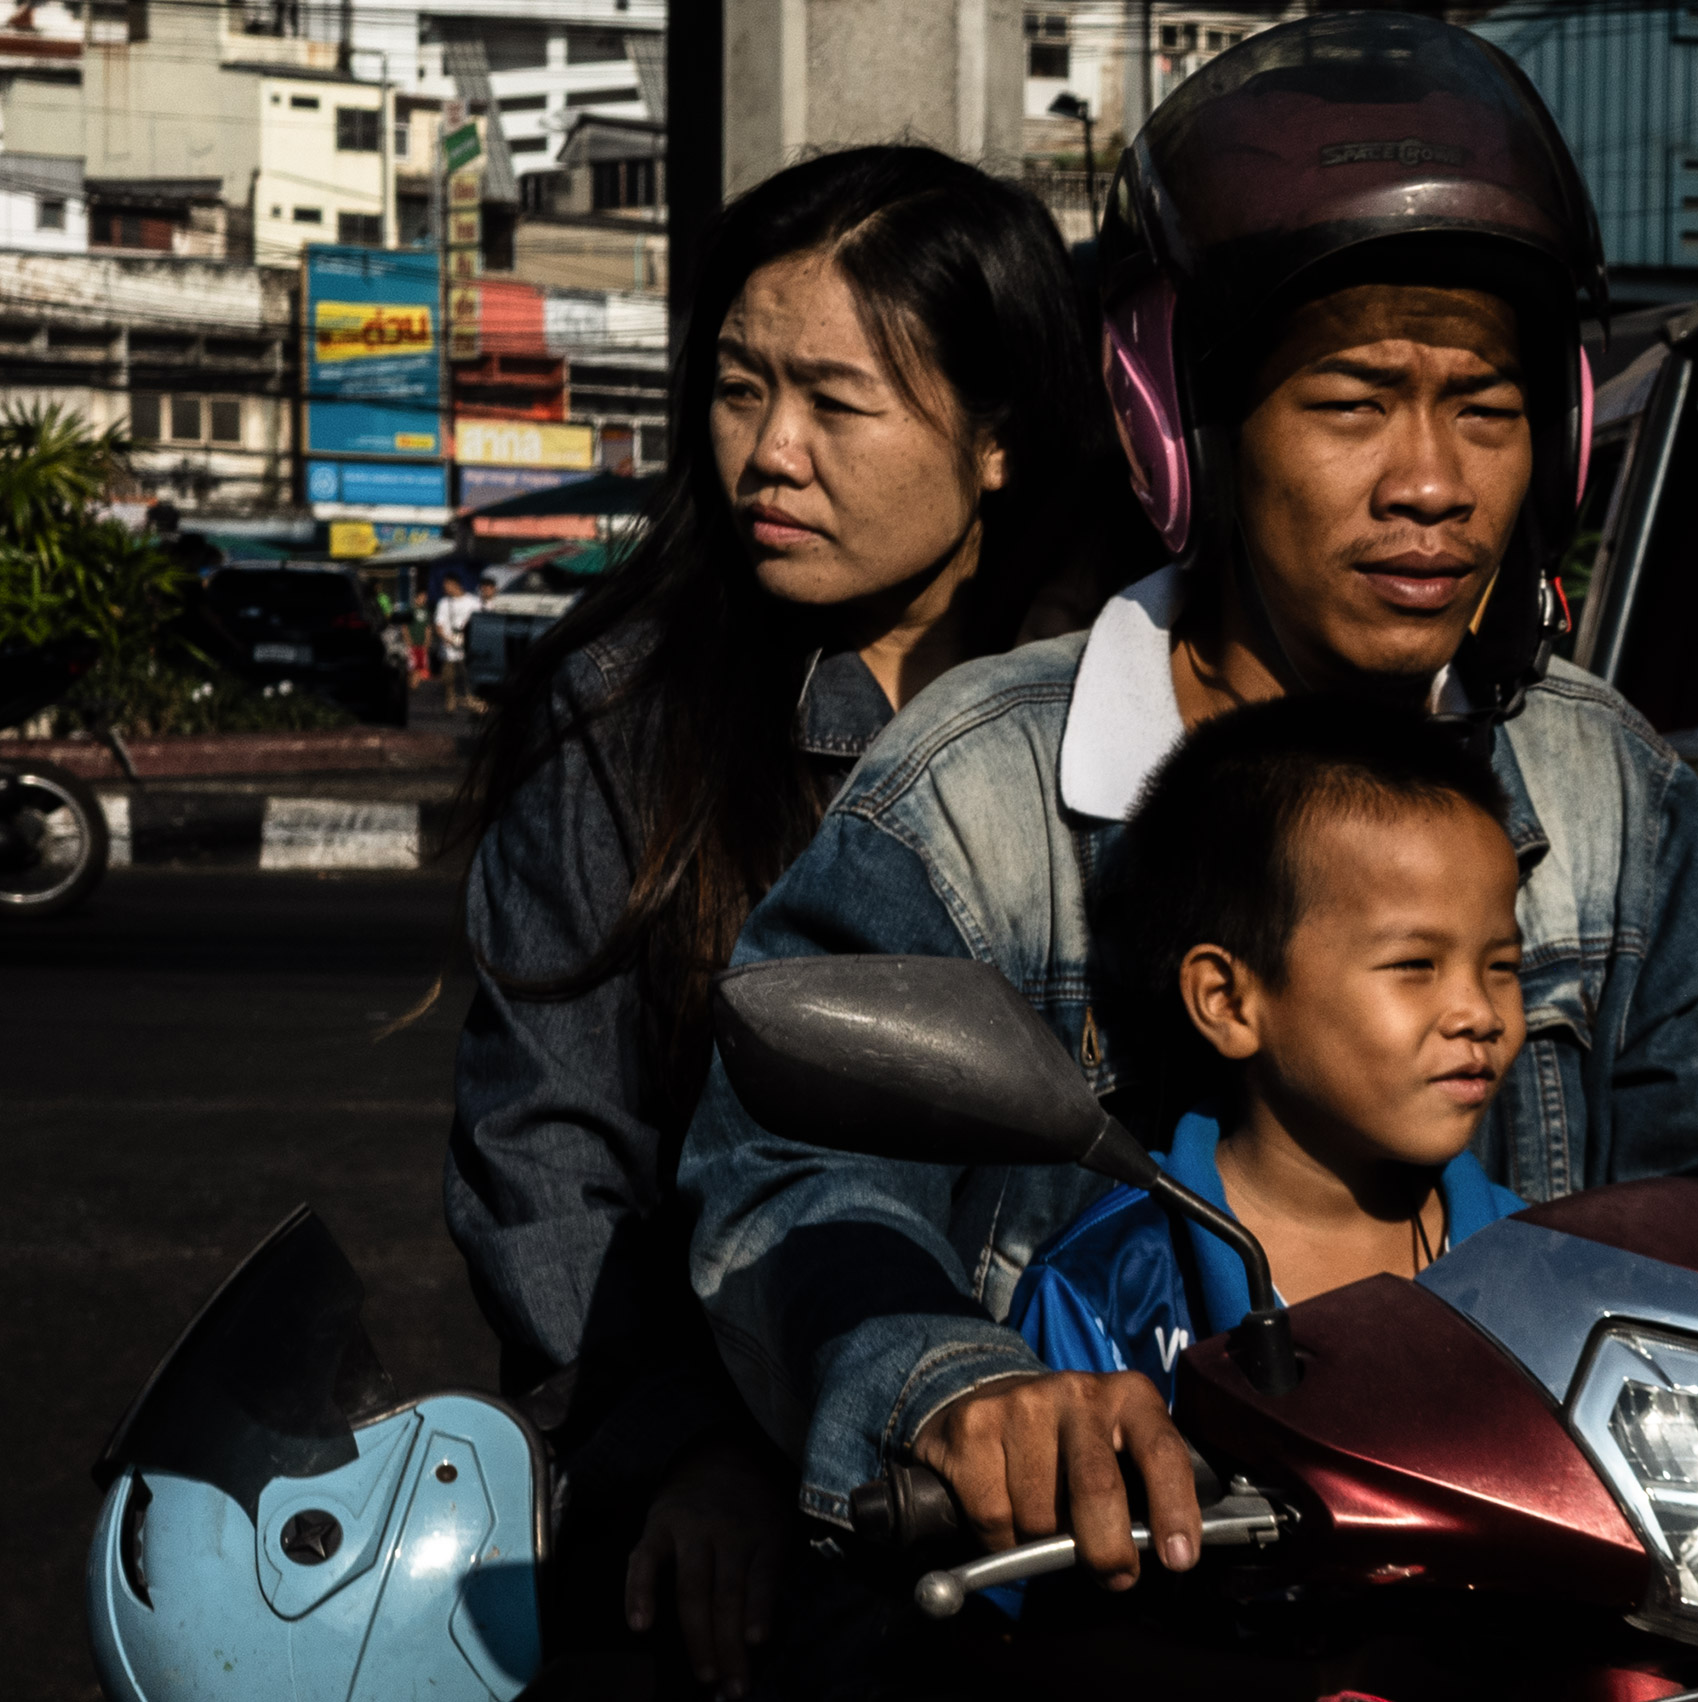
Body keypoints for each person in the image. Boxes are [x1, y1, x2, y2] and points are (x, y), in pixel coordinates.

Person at [679, 12, 1698, 1608]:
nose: (1432, 482)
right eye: (1352, 403)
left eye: (1488, 409)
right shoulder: (979, 795)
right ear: (1184, 432)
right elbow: (793, 1184)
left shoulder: (1603, 792)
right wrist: (956, 1389)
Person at [443, 145, 1106, 1700]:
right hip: (761, 1506)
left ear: (998, 435)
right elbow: (551, 1158)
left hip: (1106, 1495)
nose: (771, 454)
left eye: (835, 400)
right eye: (741, 389)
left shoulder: (1122, 712)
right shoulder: (629, 723)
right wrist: (684, 1449)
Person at [1013, 698, 1530, 1396]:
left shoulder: (1548, 1272)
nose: (1479, 1012)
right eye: (1415, 966)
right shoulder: (1106, 1288)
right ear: (1227, 1001)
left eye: (1503, 967)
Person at [432, 570, 481, 711]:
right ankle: (450, 700)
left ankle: (471, 699)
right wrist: (447, 639)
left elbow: (477, 623)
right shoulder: (443, 603)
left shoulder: (473, 602)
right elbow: (438, 625)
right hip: (448, 648)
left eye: (446, 585)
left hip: (467, 648)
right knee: (448, 678)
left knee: (468, 676)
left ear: (455, 584)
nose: (444, 588)